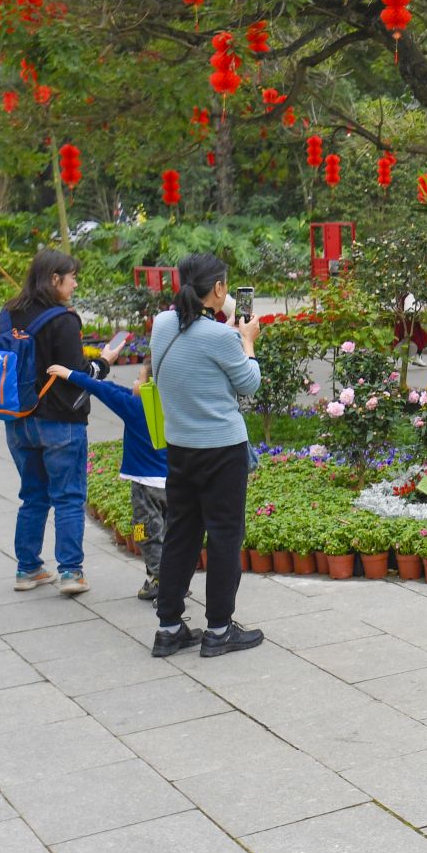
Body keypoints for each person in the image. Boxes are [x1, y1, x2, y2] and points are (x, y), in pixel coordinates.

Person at [147, 253, 264, 658]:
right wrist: (246, 340)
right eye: (225, 285)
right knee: (225, 535)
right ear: (217, 289)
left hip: (181, 447)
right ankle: (218, 630)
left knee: (181, 532)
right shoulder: (222, 338)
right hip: (222, 450)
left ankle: (168, 628)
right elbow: (250, 383)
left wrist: (228, 332)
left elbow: (191, 348)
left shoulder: (162, 324)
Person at [0, 249, 121, 596]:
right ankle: (70, 573)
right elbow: (76, 375)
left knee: (33, 496)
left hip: (18, 419)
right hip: (60, 422)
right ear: (55, 279)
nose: (76, 282)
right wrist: (105, 363)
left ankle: (28, 569)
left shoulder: (8, 314)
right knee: (68, 496)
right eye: (72, 276)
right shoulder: (63, 319)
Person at [46, 361, 167, 601]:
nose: (133, 382)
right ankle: (172, 577)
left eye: (138, 378)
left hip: (145, 488)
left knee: (144, 532)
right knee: (170, 533)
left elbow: (106, 393)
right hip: (174, 485)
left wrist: (70, 374)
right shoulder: (169, 405)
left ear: (149, 386)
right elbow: (115, 390)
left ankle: (161, 582)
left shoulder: (134, 407)